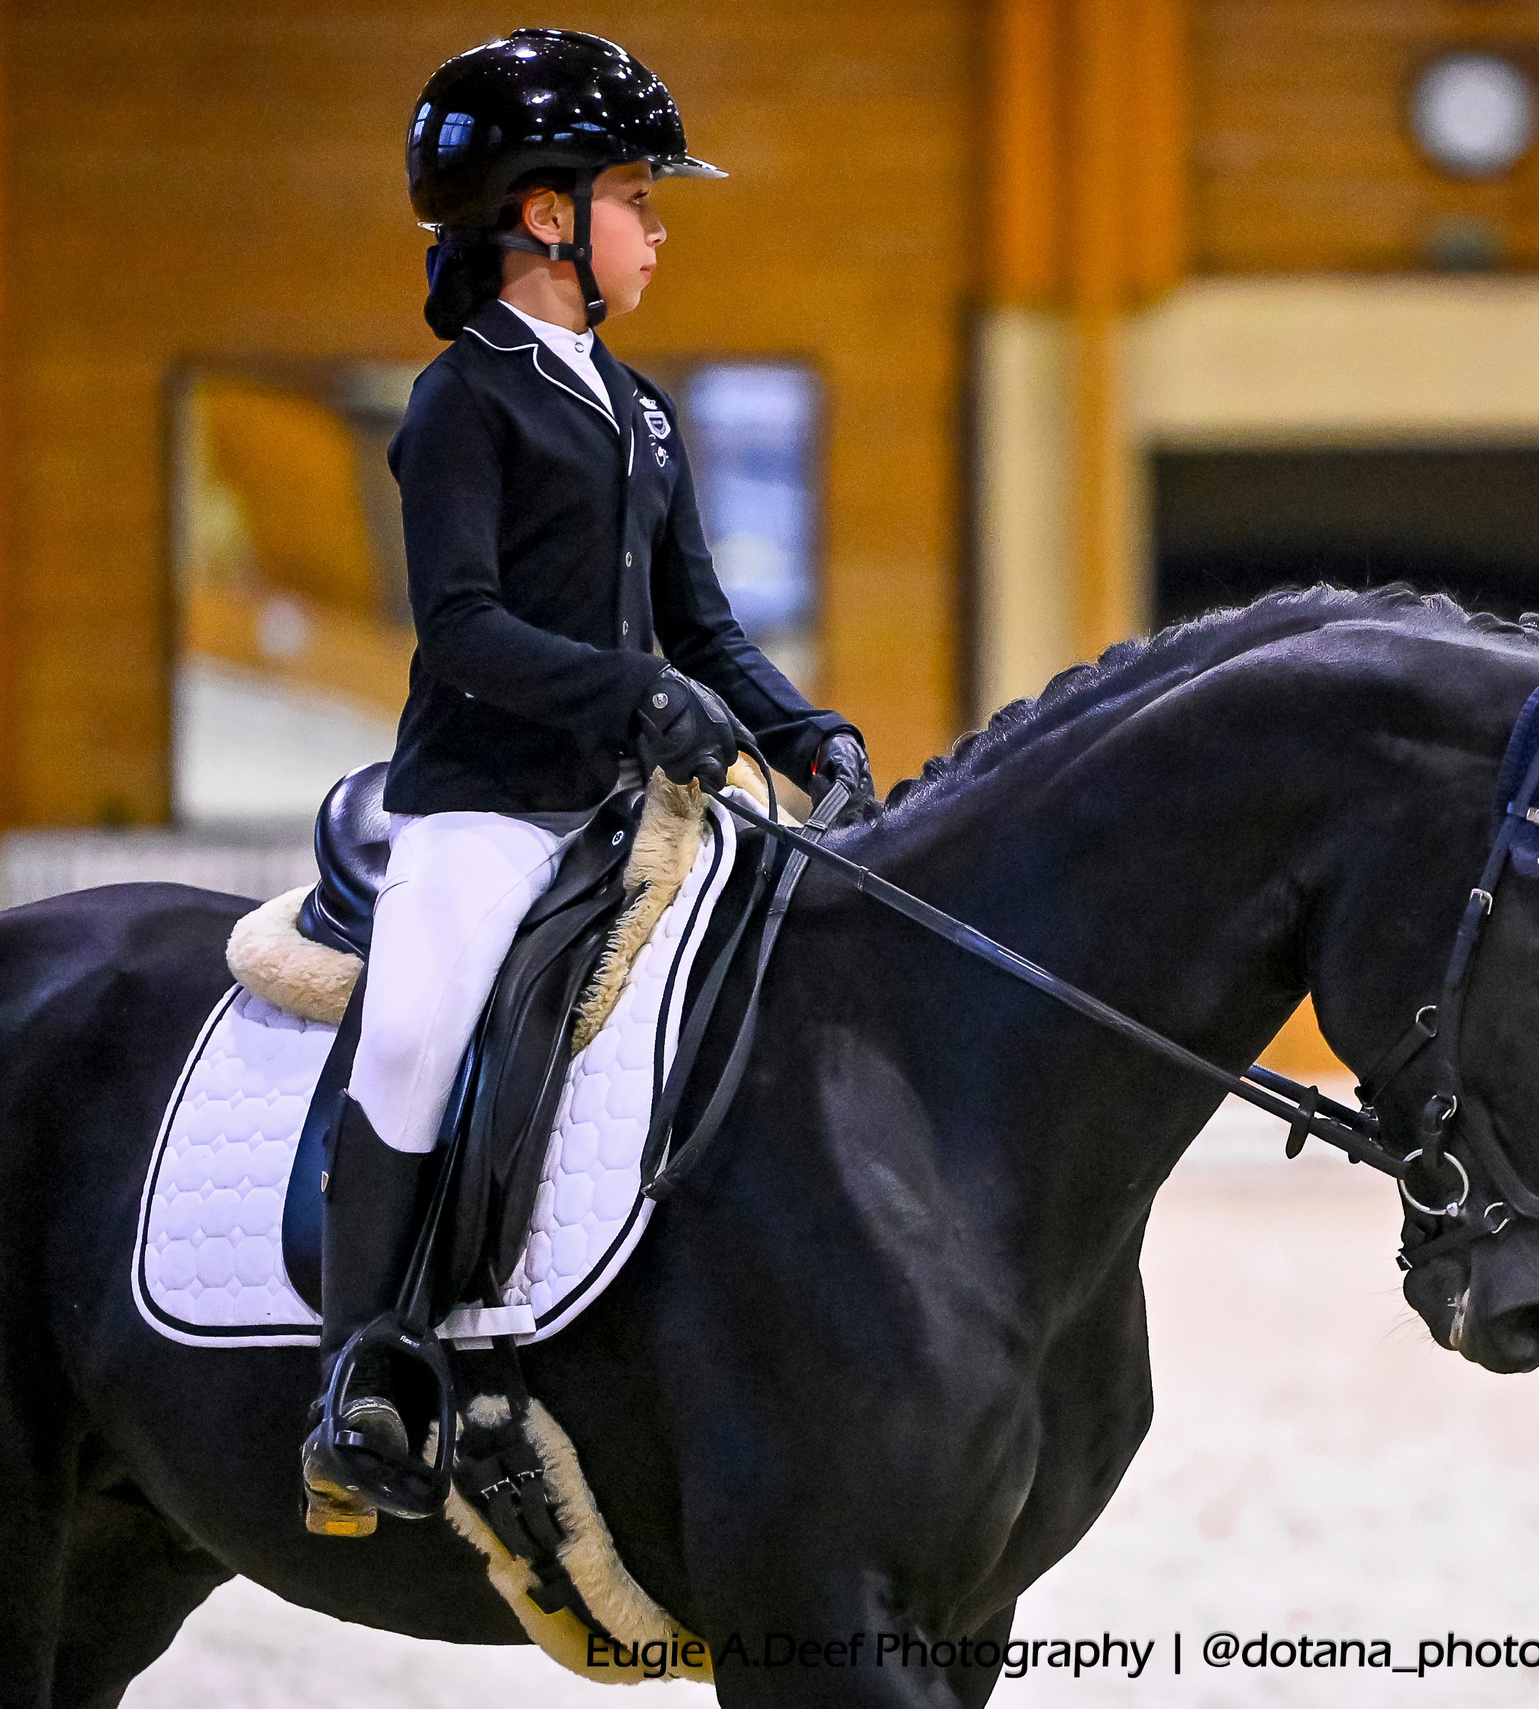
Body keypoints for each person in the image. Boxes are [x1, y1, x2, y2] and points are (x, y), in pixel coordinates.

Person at [302, 27, 873, 1535]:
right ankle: (360, 1371)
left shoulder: (646, 408)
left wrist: (796, 726)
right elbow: (465, 627)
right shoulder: (463, 399)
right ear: (546, 217)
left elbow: (700, 623)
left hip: (631, 810)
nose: (660, 225)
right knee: (420, 1023)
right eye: (638, 194)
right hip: (484, 803)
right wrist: (641, 695)